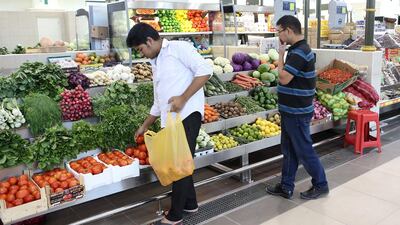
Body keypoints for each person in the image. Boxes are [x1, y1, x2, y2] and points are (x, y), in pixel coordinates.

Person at [126, 23, 212, 225]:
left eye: (141, 49)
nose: (142, 54)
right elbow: (159, 101)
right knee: (181, 161)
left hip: (187, 115)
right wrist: (145, 125)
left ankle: (175, 215)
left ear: (149, 41)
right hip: (171, 120)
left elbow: (205, 71)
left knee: (178, 164)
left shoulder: (178, 49)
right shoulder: (156, 62)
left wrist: (183, 97)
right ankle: (190, 203)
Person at [266, 15, 329, 200]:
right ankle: (286, 186)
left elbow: (284, 78)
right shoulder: (295, 50)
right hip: (290, 110)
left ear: (289, 30)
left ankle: (321, 184)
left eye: (279, 31)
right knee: (289, 149)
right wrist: (282, 52)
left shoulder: (300, 51)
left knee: (303, 149)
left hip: (297, 112)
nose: (278, 35)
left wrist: (280, 54)